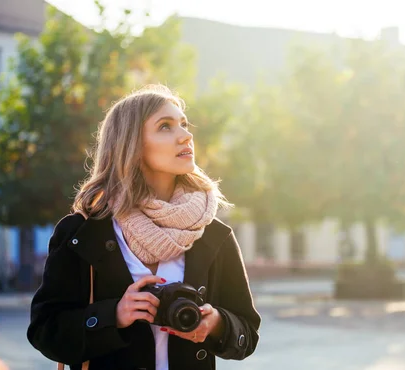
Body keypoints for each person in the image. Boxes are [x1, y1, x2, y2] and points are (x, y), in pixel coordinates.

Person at [27, 85, 261, 370]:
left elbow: (247, 334)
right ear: (132, 144)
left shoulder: (212, 233)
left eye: (184, 125)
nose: (186, 136)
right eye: (165, 126)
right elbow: (44, 331)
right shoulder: (82, 233)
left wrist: (217, 324)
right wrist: (114, 315)